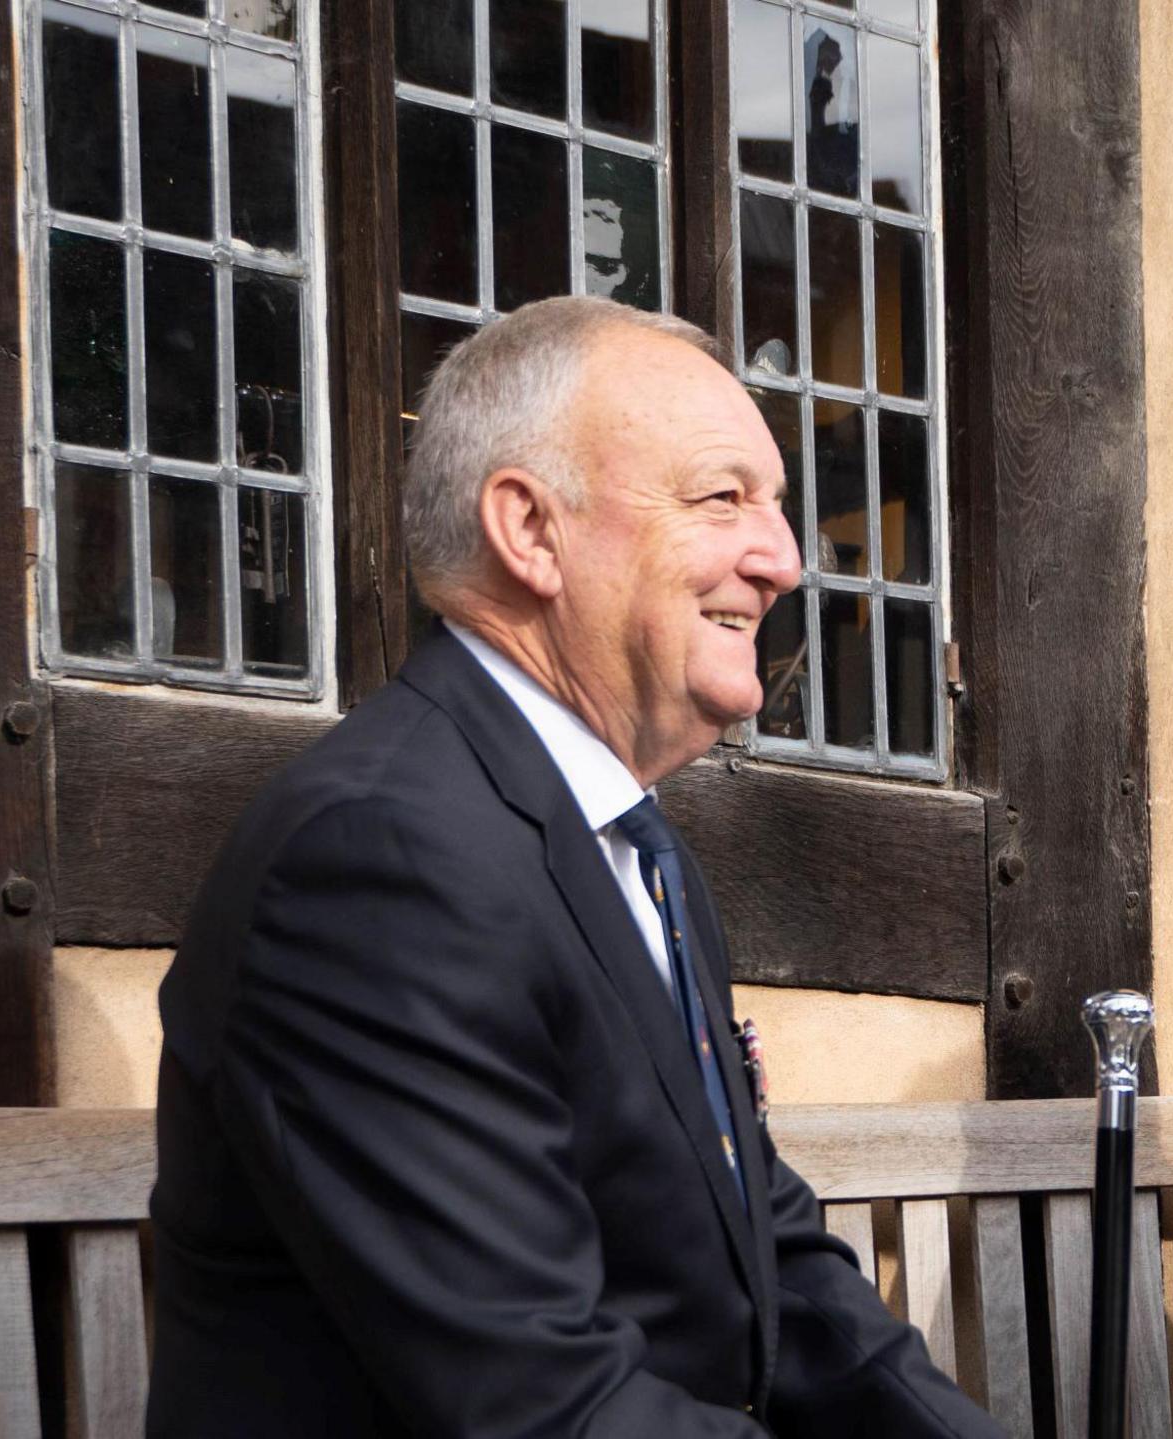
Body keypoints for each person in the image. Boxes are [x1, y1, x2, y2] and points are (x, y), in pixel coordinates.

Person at [148, 297, 1003, 1439]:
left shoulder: (630, 845)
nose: (786, 559)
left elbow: (775, 1254)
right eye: (723, 498)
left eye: (780, 507)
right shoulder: (377, 860)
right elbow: (536, 1399)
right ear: (531, 530)